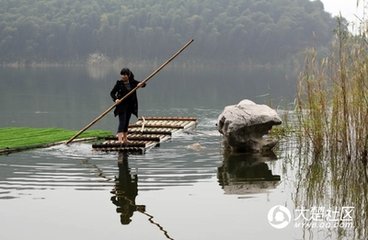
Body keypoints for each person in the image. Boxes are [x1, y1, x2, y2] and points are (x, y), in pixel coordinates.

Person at [110, 68, 145, 143]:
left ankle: (125, 139)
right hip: (121, 106)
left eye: (125, 75)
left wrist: (140, 84)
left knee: (126, 122)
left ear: (128, 75)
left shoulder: (133, 82)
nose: (123, 76)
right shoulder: (119, 83)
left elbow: (143, 84)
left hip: (130, 105)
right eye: (122, 75)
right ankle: (119, 140)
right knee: (122, 122)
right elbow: (112, 93)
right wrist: (116, 99)